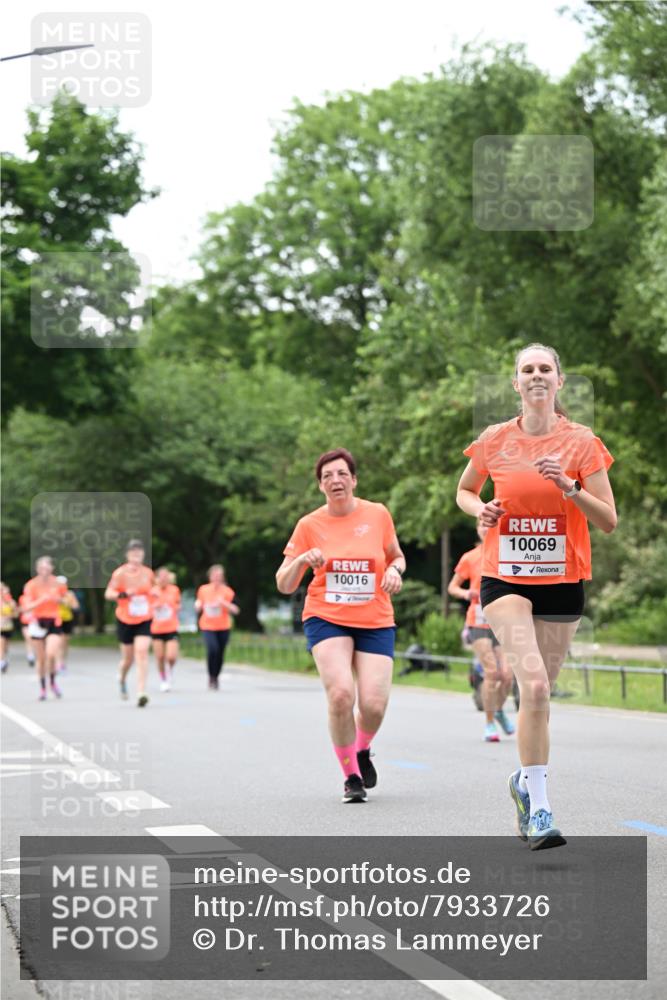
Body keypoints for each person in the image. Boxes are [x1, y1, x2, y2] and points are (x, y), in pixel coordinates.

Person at [456, 343, 616, 850]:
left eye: (545, 368)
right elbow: (465, 490)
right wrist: (479, 510)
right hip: (504, 577)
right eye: (527, 369)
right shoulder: (494, 439)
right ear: (516, 383)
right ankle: (542, 810)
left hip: (563, 580)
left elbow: (608, 520)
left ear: (559, 381)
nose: (537, 375)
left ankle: (523, 783)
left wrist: (570, 487)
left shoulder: (582, 442)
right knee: (537, 688)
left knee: (538, 695)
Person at [276, 448, 405, 803]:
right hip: (326, 616)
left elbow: (396, 555)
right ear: (320, 486)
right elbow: (284, 583)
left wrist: (395, 570)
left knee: (374, 705)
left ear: (354, 480)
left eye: (342, 474)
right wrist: (302, 560)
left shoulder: (377, 514)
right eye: (327, 476)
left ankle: (361, 749)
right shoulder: (309, 525)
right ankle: (351, 777)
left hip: (375, 618)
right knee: (341, 694)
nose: (335, 480)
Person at [448, 515, 515, 741]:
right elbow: (452, 587)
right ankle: (489, 724)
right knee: (492, 672)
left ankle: (498, 710)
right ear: (477, 529)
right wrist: (466, 593)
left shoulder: (508, 551)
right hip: (478, 620)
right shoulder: (470, 557)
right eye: (481, 525)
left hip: (503, 621)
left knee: (507, 676)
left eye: (490, 525)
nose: (485, 528)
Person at [104, 540, 155, 707]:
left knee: (142, 652)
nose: (136, 555)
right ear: (127, 555)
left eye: (139, 552)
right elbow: (108, 593)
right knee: (128, 659)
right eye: (133, 552)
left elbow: (154, 590)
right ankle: (122, 677)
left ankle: (141, 692)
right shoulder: (120, 573)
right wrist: (124, 594)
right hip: (125, 619)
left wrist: (154, 595)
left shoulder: (148, 573)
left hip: (144, 618)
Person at [21, 557, 67, 700]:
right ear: (37, 569)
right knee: (41, 659)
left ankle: (52, 682)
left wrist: (59, 600)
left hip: (54, 621)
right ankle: (42, 688)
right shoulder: (31, 585)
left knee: (51, 654)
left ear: (52, 568)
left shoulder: (58, 583)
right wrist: (42, 600)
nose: (44, 571)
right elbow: (26, 607)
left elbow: (68, 601)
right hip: (37, 622)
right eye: (41, 568)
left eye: (47, 568)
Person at [195, 565, 239, 689]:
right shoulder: (203, 589)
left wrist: (223, 603)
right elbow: (199, 603)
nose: (217, 578)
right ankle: (211, 676)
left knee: (220, 652)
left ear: (223, 577)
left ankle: (216, 676)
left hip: (223, 626)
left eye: (219, 576)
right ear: (210, 577)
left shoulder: (228, 591)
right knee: (212, 649)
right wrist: (197, 606)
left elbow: (236, 610)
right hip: (207, 625)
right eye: (214, 576)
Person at [150, 567, 181, 691]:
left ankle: (170, 670)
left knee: (171, 656)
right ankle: (163, 679)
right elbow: (146, 608)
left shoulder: (174, 590)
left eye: (166, 576)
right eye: (161, 576)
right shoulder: (152, 591)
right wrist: (155, 606)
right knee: (160, 657)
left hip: (171, 627)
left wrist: (172, 606)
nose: (163, 579)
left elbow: (178, 605)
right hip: (156, 628)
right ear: (157, 578)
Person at [56, 576, 80, 673]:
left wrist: (68, 603)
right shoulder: (54, 593)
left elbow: (76, 606)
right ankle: (58, 663)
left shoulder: (69, 594)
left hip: (67, 619)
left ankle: (62, 662)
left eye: (63, 584)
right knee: (60, 641)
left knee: (65, 642)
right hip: (57, 619)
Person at [1, 583, 18, 673]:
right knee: (1, 644)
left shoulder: (11, 602)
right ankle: (2, 662)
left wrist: (8, 616)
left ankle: (5, 659)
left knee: (5, 646)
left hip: (8, 627)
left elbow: (16, 614)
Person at [17, 592, 36, 667]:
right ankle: (30, 655)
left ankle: (33, 653)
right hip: (25, 621)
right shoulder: (22, 598)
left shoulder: (36, 596)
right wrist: (24, 609)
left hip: (34, 621)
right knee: (28, 638)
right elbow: (19, 608)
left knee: (33, 639)